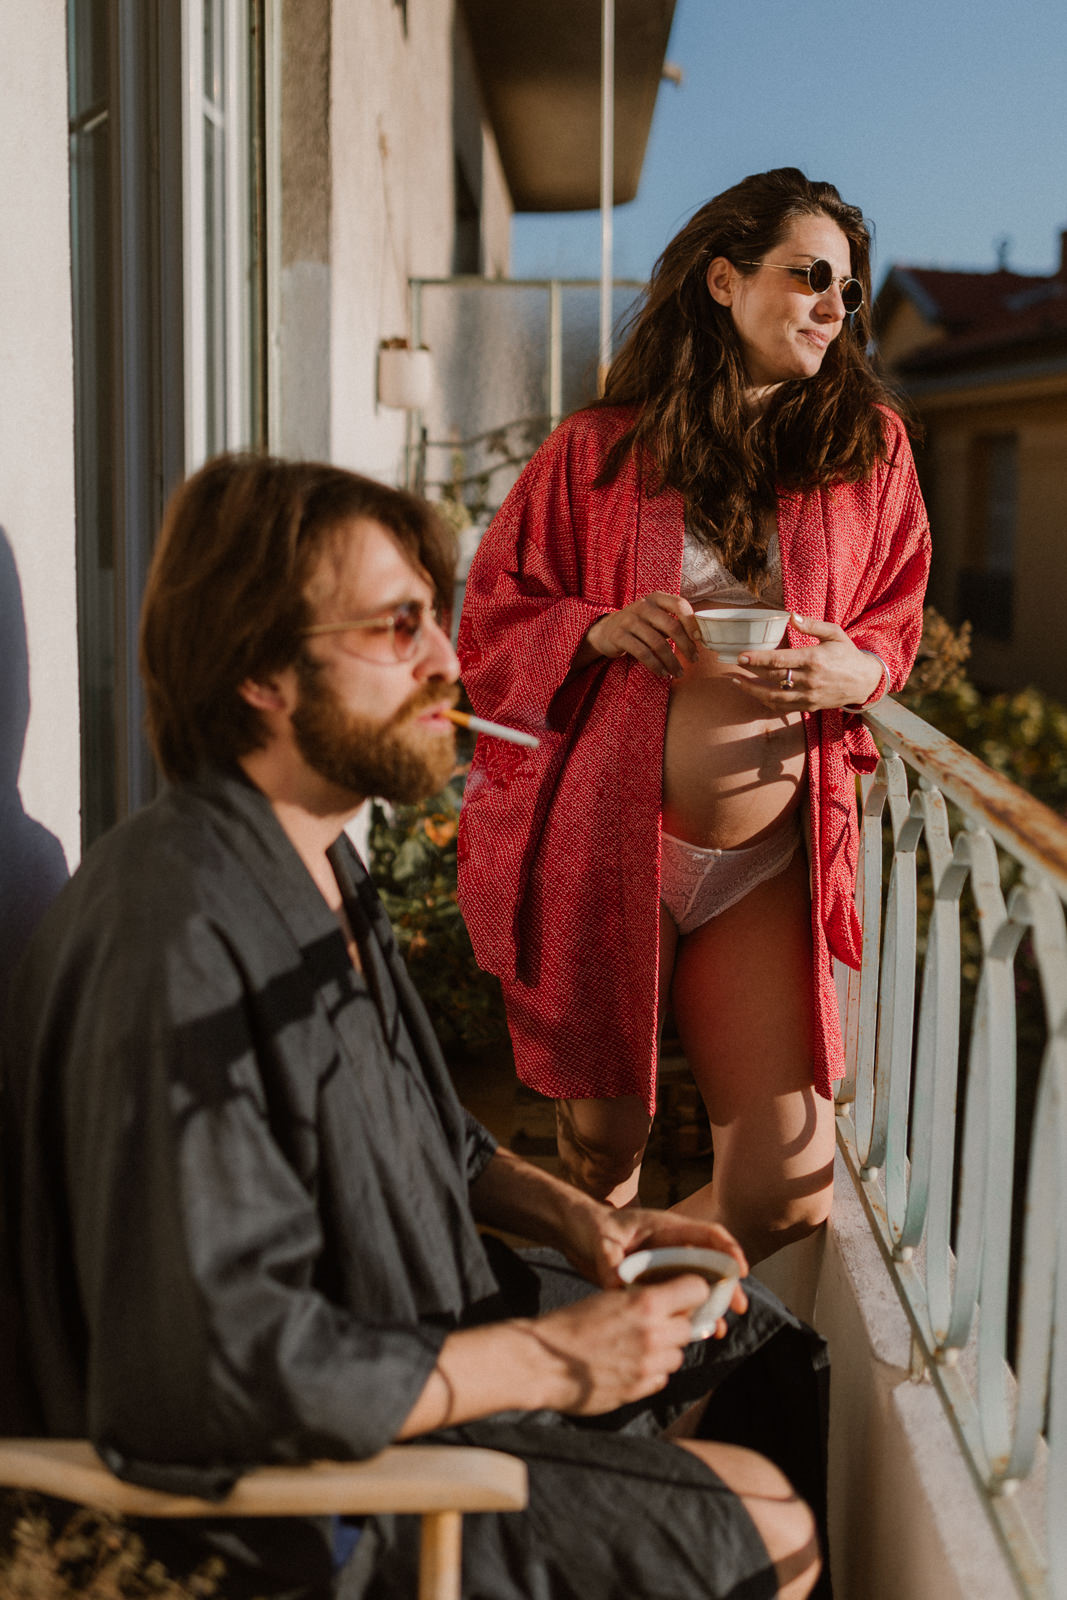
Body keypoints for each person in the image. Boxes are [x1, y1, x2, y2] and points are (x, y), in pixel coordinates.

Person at [0, 455, 827, 1600]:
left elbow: (436, 1140)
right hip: (278, 1506)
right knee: (763, 1515)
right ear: (259, 672)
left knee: (756, 1337)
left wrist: (586, 1221)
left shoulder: (318, 863)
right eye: (399, 628)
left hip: (408, 1325)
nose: (448, 661)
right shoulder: (175, 935)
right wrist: (553, 1360)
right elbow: (205, 1372)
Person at [457, 167, 931, 1262]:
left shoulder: (868, 448)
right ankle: (611, 1359)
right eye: (810, 276)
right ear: (722, 280)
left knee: (779, 1189)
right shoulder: (598, 448)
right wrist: (591, 625)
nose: (832, 306)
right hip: (607, 841)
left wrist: (855, 673)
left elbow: (894, 616)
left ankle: (599, 1302)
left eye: (848, 292)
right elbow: (492, 609)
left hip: (766, 864)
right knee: (599, 1148)